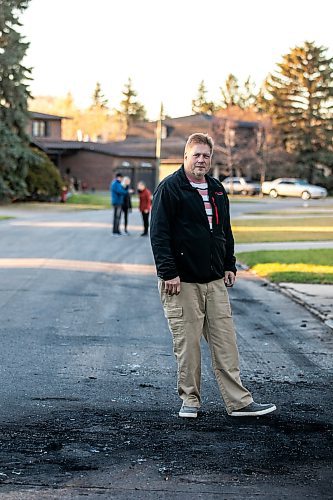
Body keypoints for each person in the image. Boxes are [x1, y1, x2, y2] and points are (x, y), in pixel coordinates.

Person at [150, 132, 276, 419]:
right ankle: (190, 401)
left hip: (214, 281)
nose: (201, 160)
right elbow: (159, 234)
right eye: (196, 154)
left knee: (226, 342)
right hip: (181, 283)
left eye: (206, 155)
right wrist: (168, 272)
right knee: (188, 344)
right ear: (185, 157)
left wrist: (229, 265)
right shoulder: (170, 188)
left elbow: (224, 232)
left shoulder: (217, 189)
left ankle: (239, 402)